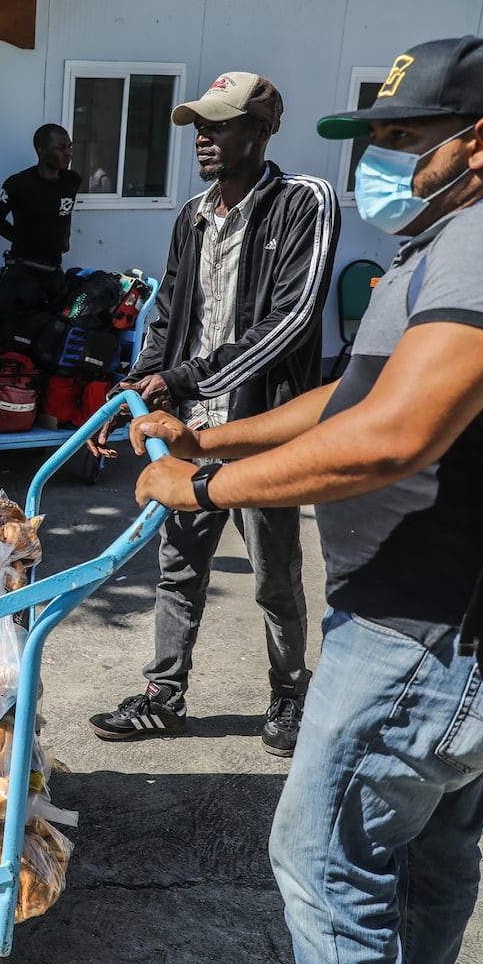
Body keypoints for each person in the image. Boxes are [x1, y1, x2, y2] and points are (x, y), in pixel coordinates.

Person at [126, 35, 483, 964]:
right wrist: (210, 435)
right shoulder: (444, 237)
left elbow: (392, 436)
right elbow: (356, 391)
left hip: (431, 632)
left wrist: (202, 483)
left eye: (400, 134)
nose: (377, 158)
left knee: (320, 862)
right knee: (426, 858)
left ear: (481, 138)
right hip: (430, 623)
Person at [87, 71, 340, 756]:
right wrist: (139, 389)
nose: (203, 136)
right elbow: (167, 311)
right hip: (189, 431)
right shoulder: (192, 216)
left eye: (221, 124)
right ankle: (164, 696)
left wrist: (183, 378)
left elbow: (291, 320)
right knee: (178, 566)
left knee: (275, 576)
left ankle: (288, 695)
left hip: (262, 429)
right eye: (200, 123)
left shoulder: (302, 203)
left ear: (261, 131)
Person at [0, 123, 81, 346]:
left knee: (48, 335)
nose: (68, 153)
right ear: (41, 150)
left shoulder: (71, 181)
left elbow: (63, 215)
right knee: (5, 334)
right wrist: (21, 239)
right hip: (22, 273)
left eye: (70, 147)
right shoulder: (18, 184)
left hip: (54, 272)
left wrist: (63, 238)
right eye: (60, 148)